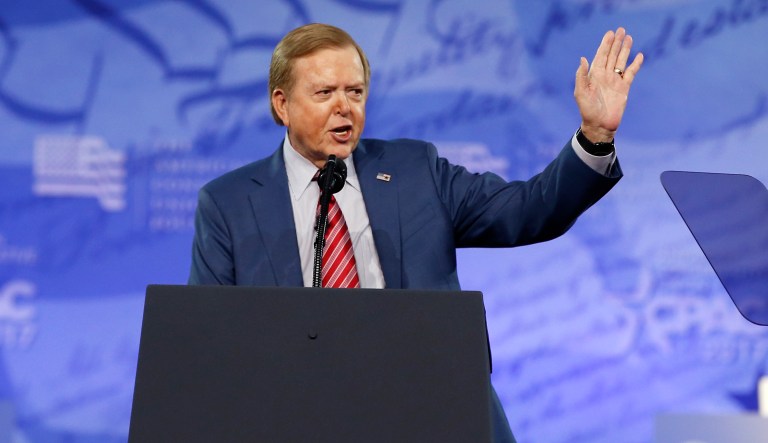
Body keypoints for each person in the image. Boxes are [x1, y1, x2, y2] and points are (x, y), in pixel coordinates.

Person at [189, 23, 643, 443]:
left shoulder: (415, 171)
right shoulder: (229, 203)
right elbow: (209, 344)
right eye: (325, 92)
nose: (344, 107)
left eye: (356, 91)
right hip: (299, 422)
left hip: (431, 414)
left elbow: (529, 210)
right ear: (282, 103)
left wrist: (594, 135)